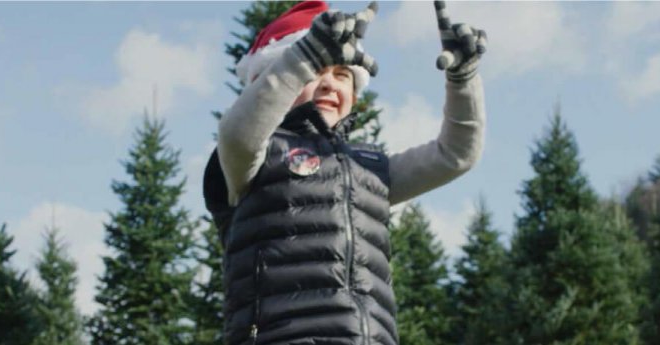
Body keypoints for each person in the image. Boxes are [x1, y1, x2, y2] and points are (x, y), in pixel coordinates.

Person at [203, 1, 486, 344]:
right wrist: (305, 55)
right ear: (273, 79)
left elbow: (454, 154)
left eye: (342, 75)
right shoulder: (252, 158)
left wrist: (463, 79)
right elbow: (238, 133)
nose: (329, 84)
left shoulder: (369, 167)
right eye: (315, 73)